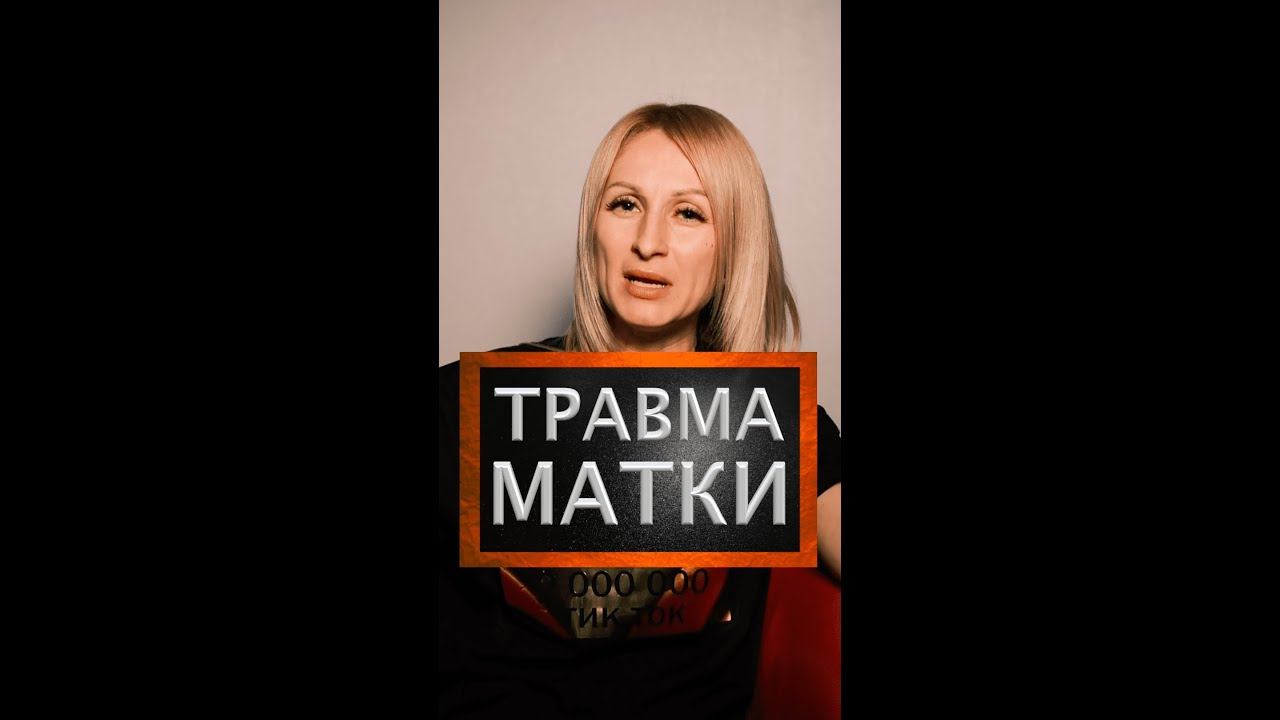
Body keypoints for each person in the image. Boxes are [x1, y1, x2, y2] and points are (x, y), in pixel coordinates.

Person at [439, 103, 841, 718]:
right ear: (593, 225)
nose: (648, 243)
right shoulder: (463, 406)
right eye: (625, 204)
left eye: (689, 213)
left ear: (734, 245)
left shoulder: (774, 427)